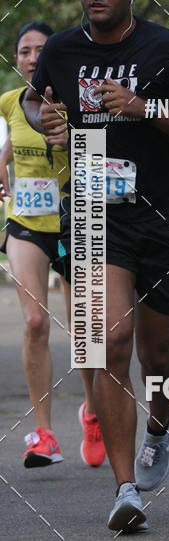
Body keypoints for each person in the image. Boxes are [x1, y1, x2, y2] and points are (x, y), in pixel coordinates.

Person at [22, 0, 169, 533]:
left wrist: (142, 107)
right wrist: (45, 119)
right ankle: (125, 490)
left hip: (161, 212)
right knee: (110, 342)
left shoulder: (166, 49)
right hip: (93, 211)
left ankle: (159, 424)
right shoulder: (62, 50)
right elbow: (36, 100)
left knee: (156, 354)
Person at [0, 23, 103, 468]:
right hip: (26, 223)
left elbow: (102, 153)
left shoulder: (80, 100)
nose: (32, 58)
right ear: (16, 59)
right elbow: (13, 138)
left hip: (76, 220)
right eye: (24, 51)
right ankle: (44, 433)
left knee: (86, 327)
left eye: (41, 50)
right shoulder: (9, 101)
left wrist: (74, 139)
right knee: (35, 321)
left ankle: (93, 413)